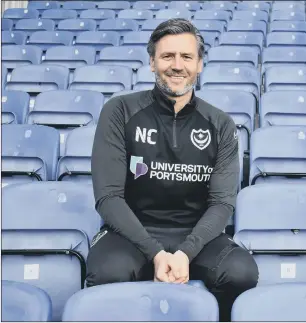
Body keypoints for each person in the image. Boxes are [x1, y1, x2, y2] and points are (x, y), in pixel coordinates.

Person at [87, 18, 258, 321]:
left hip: (196, 234)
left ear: (199, 64)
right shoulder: (119, 111)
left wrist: (185, 254)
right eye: (167, 56)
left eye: (186, 57)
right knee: (107, 272)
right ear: (152, 62)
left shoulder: (220, 124)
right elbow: (108, 197)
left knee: (242, 272)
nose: (177, 65)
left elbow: (222, 204)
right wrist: (155, 252)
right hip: (130, 232)